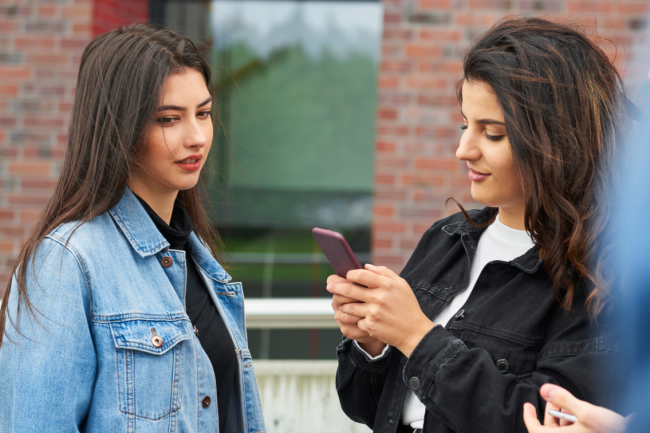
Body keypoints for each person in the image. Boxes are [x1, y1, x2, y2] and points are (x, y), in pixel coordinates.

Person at [326, 17, 631, 433]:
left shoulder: (602, 275)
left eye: (493, 134)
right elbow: (367, 407)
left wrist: (417, 337)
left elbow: (544, 421)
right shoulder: (445, 240)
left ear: (556, 141)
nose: (462, 149)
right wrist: (375, 343)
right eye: (465, 125)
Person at [0, 24, 265, 432]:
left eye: (204, 113)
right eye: (169, 119)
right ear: (119, 127)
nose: (196, 136)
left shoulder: (198, 258)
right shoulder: (67, 262)